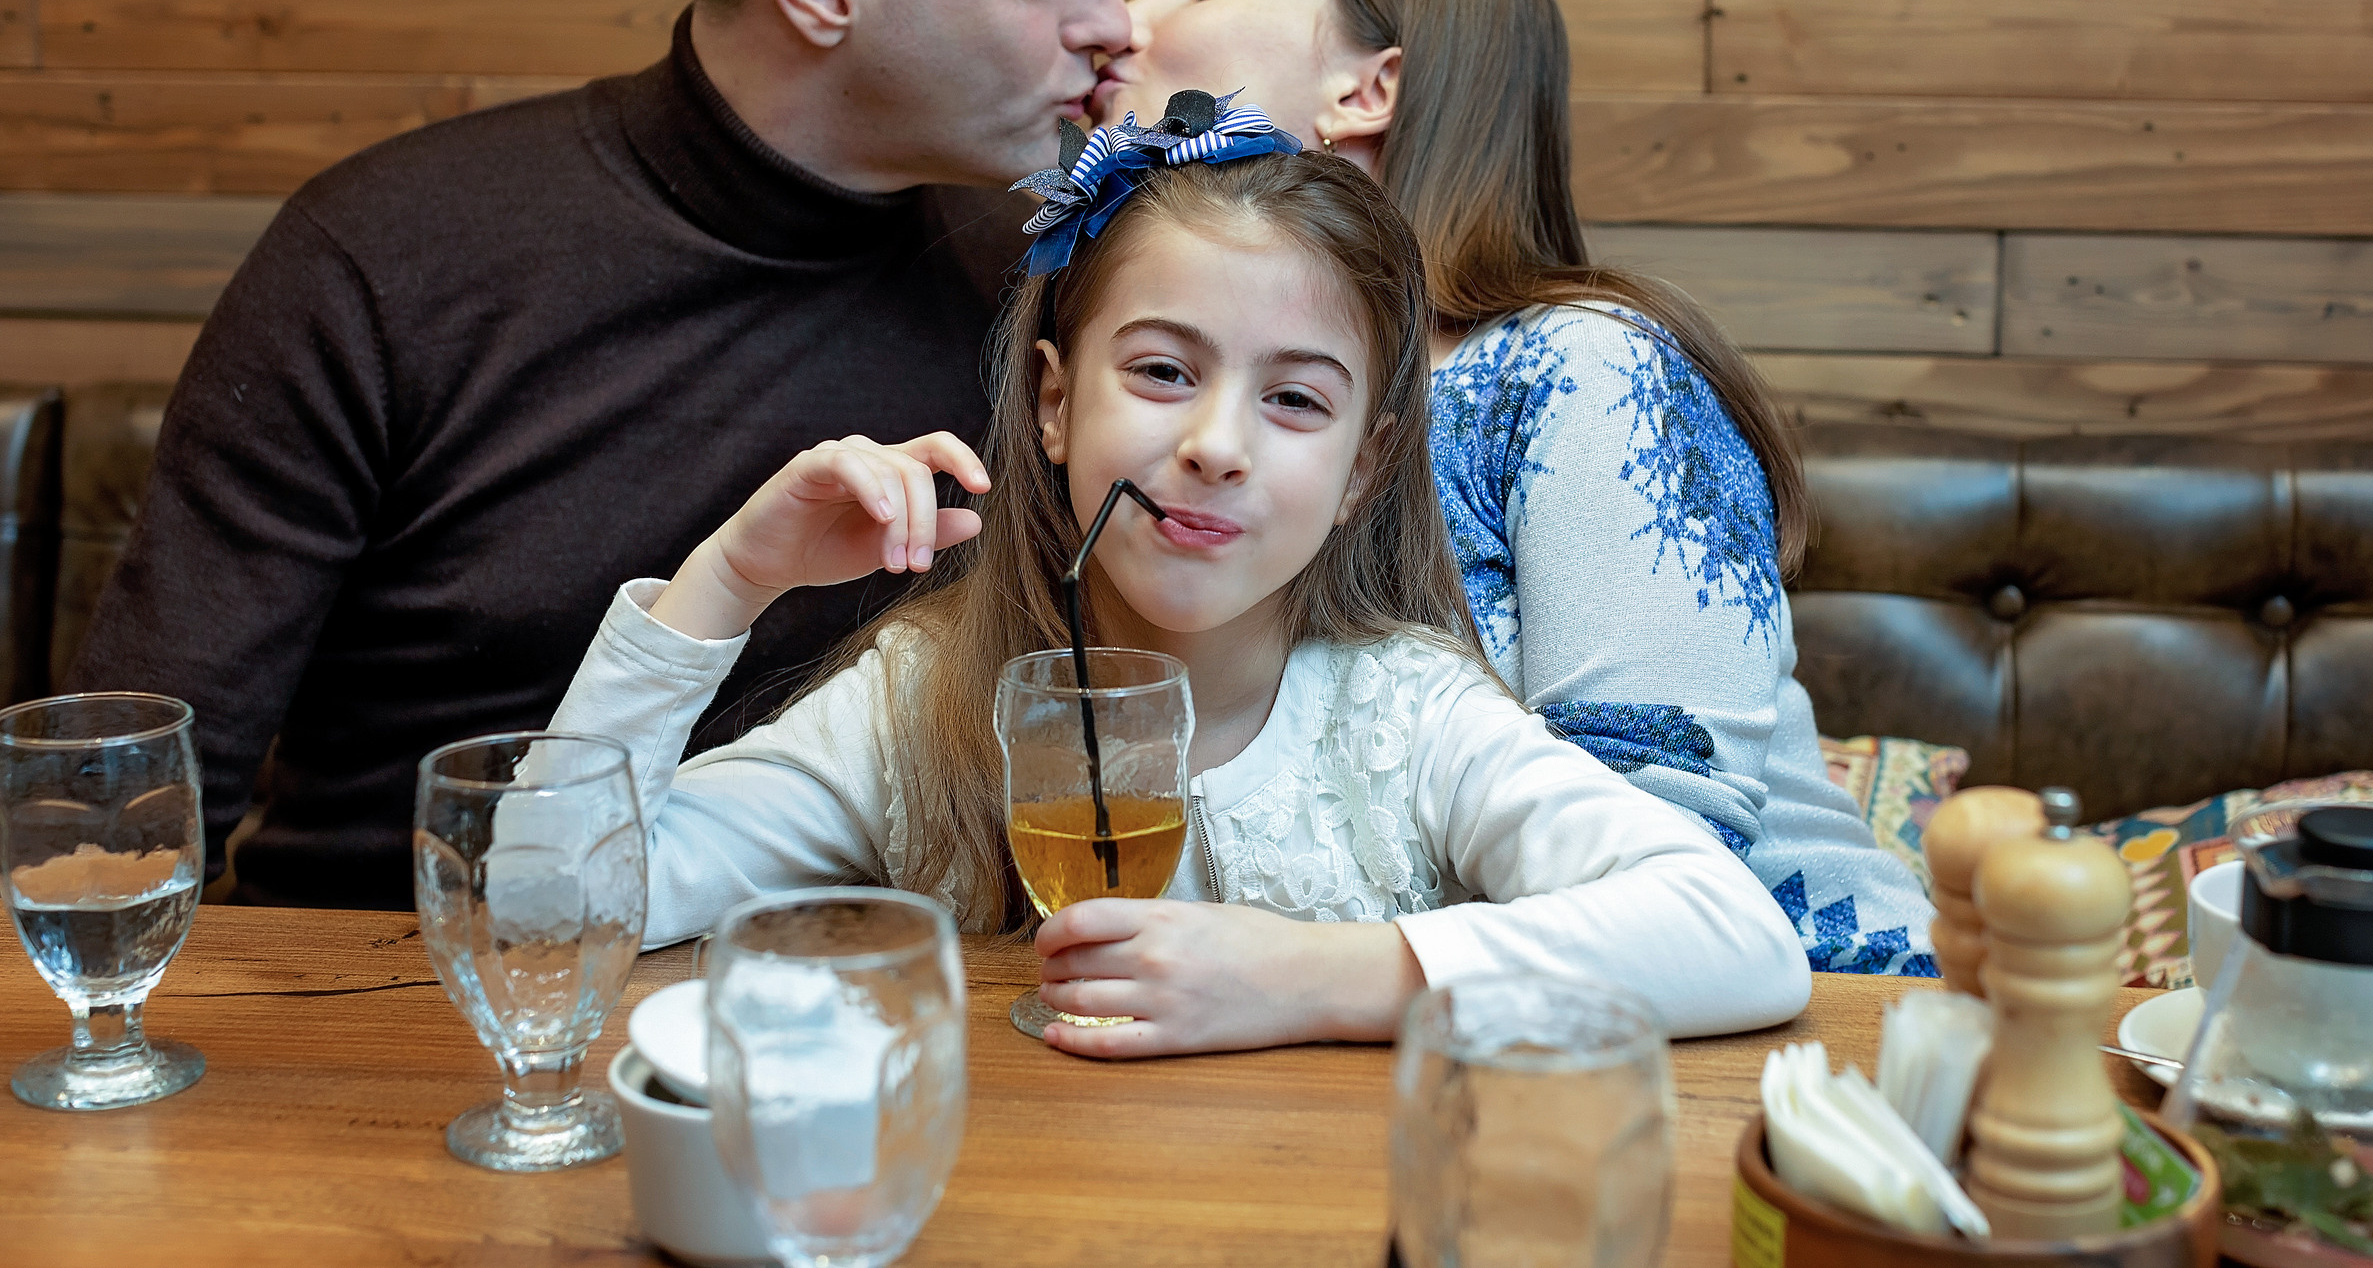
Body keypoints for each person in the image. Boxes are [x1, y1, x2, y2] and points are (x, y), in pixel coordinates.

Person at [65, 0, 1131, 909]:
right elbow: (119, 816)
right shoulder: (389, 257)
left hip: (895, 1000)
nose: (1110, 18)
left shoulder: (1047, 276)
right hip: (408, 986)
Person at [546, 120, 1812, 1056]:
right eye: (1161, 372)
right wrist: (729, 579)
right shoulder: (920, 702)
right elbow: (550, 912)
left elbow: (1732, 935)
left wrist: (1314, 979)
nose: (1216, 444)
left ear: (1365, 467)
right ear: (1054, 404)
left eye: (1295, 399)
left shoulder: (1409, 717)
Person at [1083, 0, 1939, 974]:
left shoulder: (1585, 367)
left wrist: (1290, 980)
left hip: (1778, 1013)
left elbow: (1665, 849)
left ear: (1366, 92)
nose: (1124, 17)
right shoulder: (1144, 396)